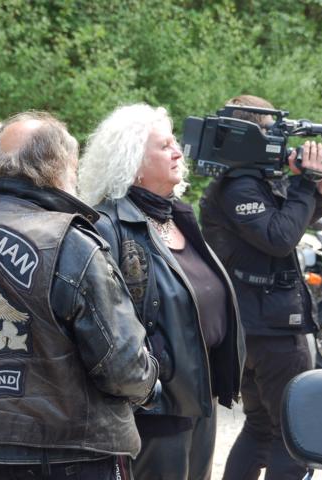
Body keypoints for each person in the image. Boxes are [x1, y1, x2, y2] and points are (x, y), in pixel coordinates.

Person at [0, 111, 159, 479]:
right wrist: (151, 386)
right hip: (73, 456)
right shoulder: (73, 244)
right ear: (60, 169)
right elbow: (124, 368)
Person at [78, 103, 244, 480]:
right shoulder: (107, 226)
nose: (177, 152)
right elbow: (105, 324)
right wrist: (149, 385)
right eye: (164, 146)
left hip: (198, 395)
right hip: (155, 408)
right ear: (133, 162)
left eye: (175, 143)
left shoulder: (178, 216)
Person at [199, 95, 322, 479]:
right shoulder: (239, 187)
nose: (277, 138)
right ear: (250, 135)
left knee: (261, 428)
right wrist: (305, 184)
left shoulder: (249, 180)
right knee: (292, 432)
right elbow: (280, 237)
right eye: (270, 130)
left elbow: (293, 220)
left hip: (256, 322)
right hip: (269, 328)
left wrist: (318, 190)